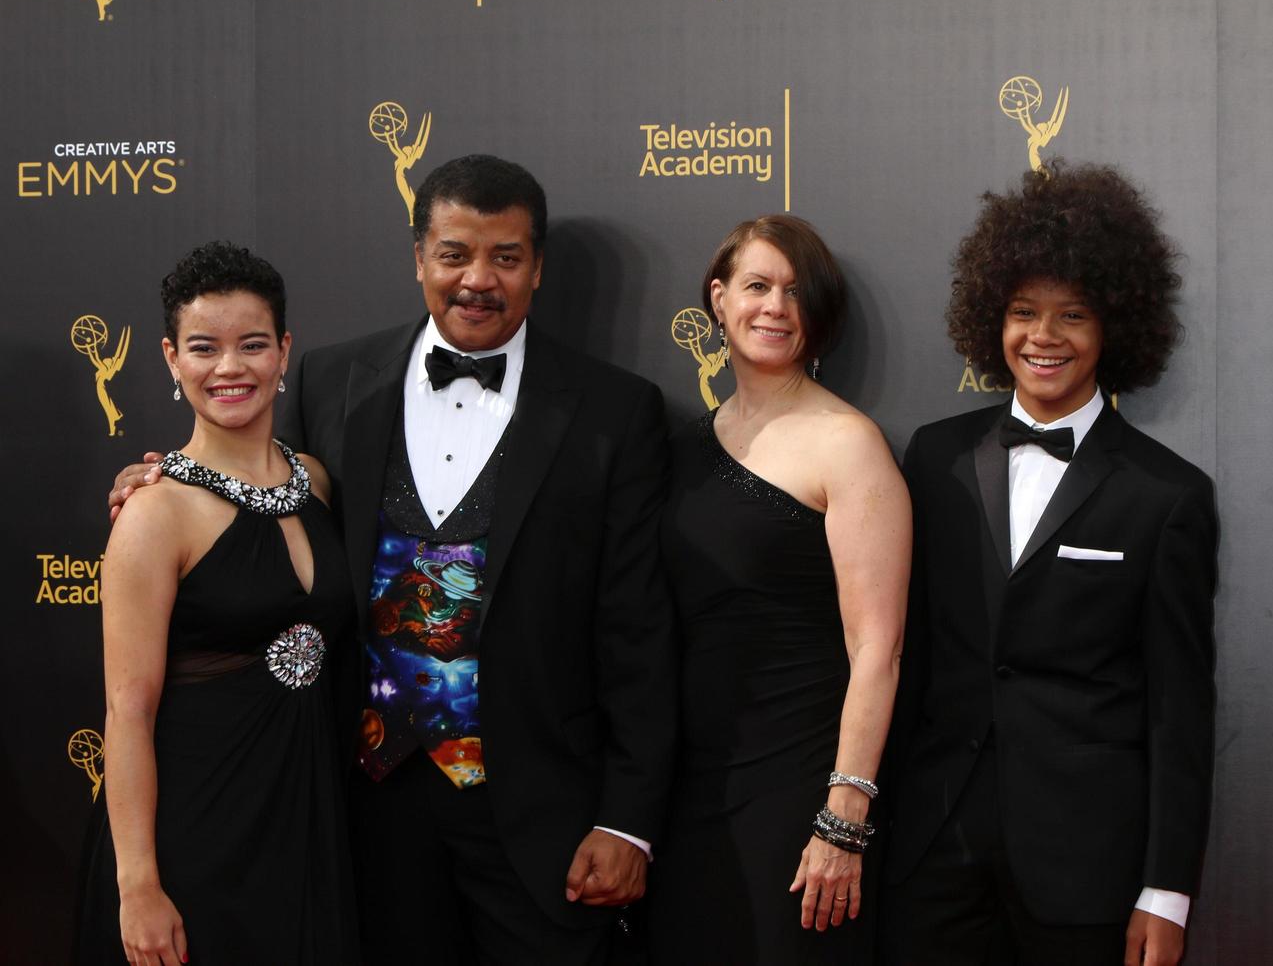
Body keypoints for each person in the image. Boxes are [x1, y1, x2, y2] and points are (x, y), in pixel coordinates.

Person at [108, 155, 678, 964]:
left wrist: (627, 818)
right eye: (453, 254)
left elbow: (639, 633)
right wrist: (161, 484)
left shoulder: (616, 413)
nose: (477, 279)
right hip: (358, 810)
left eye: (505, 257)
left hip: (537, 811)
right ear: (419, 258)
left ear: (538, 266)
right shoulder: (332, 380)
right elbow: (257, 503)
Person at [881, 162, 1218, 966]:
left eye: (1073, 315)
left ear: (1115, 326)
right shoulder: (935, 458)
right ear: (990, 321)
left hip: (1086, 867)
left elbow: (1179, 708)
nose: (1044, 337)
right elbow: (904, 654)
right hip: (932, 852)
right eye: (1024, 312)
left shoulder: (1167, 495)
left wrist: (1166, 891)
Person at [79, 242, 358, 965]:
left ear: (284, 351)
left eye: (252, 345)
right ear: (172, 359)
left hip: (305, 805)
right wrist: (137, 882)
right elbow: (127, 710)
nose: (229, 368)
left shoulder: (317, 481)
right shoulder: (154, 513)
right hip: (198, 817)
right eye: (204, 348)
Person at [649, 215, 911, 964]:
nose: (775, 307)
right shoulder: (680, 446)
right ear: (719, 298)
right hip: (689, 792)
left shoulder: (849, 444)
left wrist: (843, 818)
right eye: (757, 286)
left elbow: (877, 649)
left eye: (796, 292)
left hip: (801, 794)